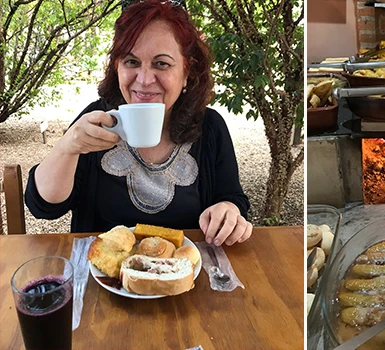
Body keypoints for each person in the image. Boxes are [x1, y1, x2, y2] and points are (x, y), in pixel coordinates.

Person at [25, 0, 252, 247]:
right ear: (117, 67)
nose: (143, 80)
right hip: (105, 275)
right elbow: (45, 208)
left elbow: (232, 199)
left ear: (187, 72)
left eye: (161, 63)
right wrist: (67, 148)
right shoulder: (98, 119)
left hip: (183, 274)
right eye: (131, 62)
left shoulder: (210, 127)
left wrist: (229, 210)